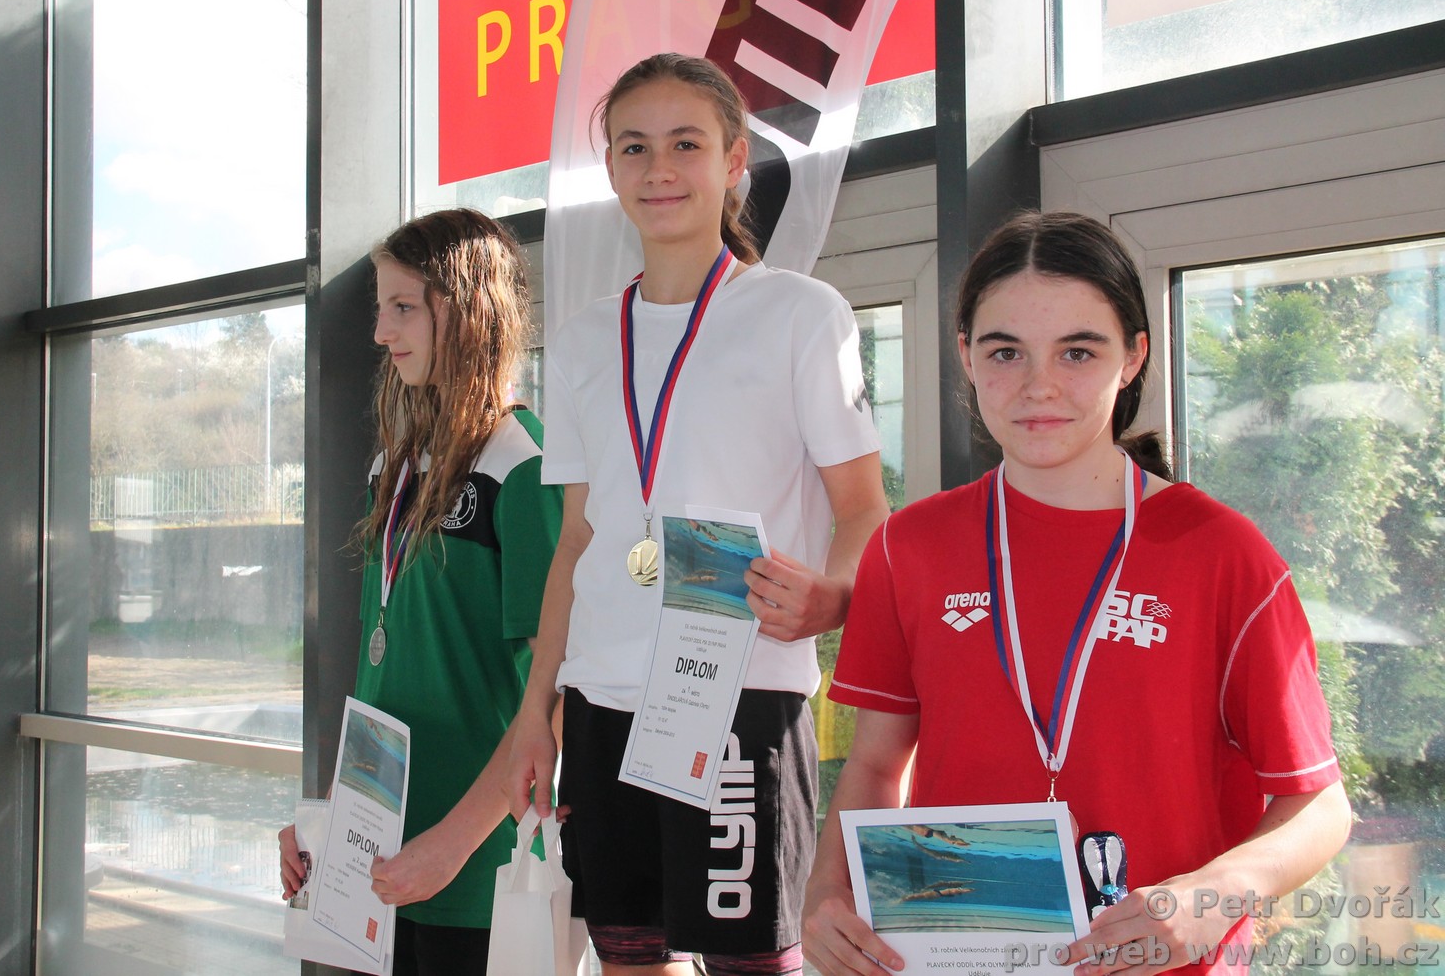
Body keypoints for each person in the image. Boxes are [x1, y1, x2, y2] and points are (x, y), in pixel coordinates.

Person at [802, 211, 1352, 976]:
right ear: (965, 356)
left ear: (1133, 357)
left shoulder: (1222, 554)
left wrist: (1215, 892)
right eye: (1006, 351)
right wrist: (827, 891)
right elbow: (873, 764)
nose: (1039, 385)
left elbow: (1320, 804)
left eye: (1078, 351)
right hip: (958, 956)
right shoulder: (909, 547)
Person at [504, 52, 891, 976]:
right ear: (611, 168)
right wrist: (535, 710)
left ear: (734, 160)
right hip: (602, 700)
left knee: (750, 963)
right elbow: (578, 540)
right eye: (634, 147)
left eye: (686, 143)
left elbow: (864, 507)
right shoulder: (585, 339)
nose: (659, 169)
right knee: (628, 958)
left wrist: (833, 595)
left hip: (740, 691)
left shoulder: (800, 313)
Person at [278, 208, 563, 976]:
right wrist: (329, 818)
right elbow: (384, 678)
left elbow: (560, 695)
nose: (381, 332)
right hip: (382, 864)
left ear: (468, 311)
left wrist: (453, 843)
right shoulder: (399, 469)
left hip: (475, 876)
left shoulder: (524, 466)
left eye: (403, 307)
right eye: (382, 308)